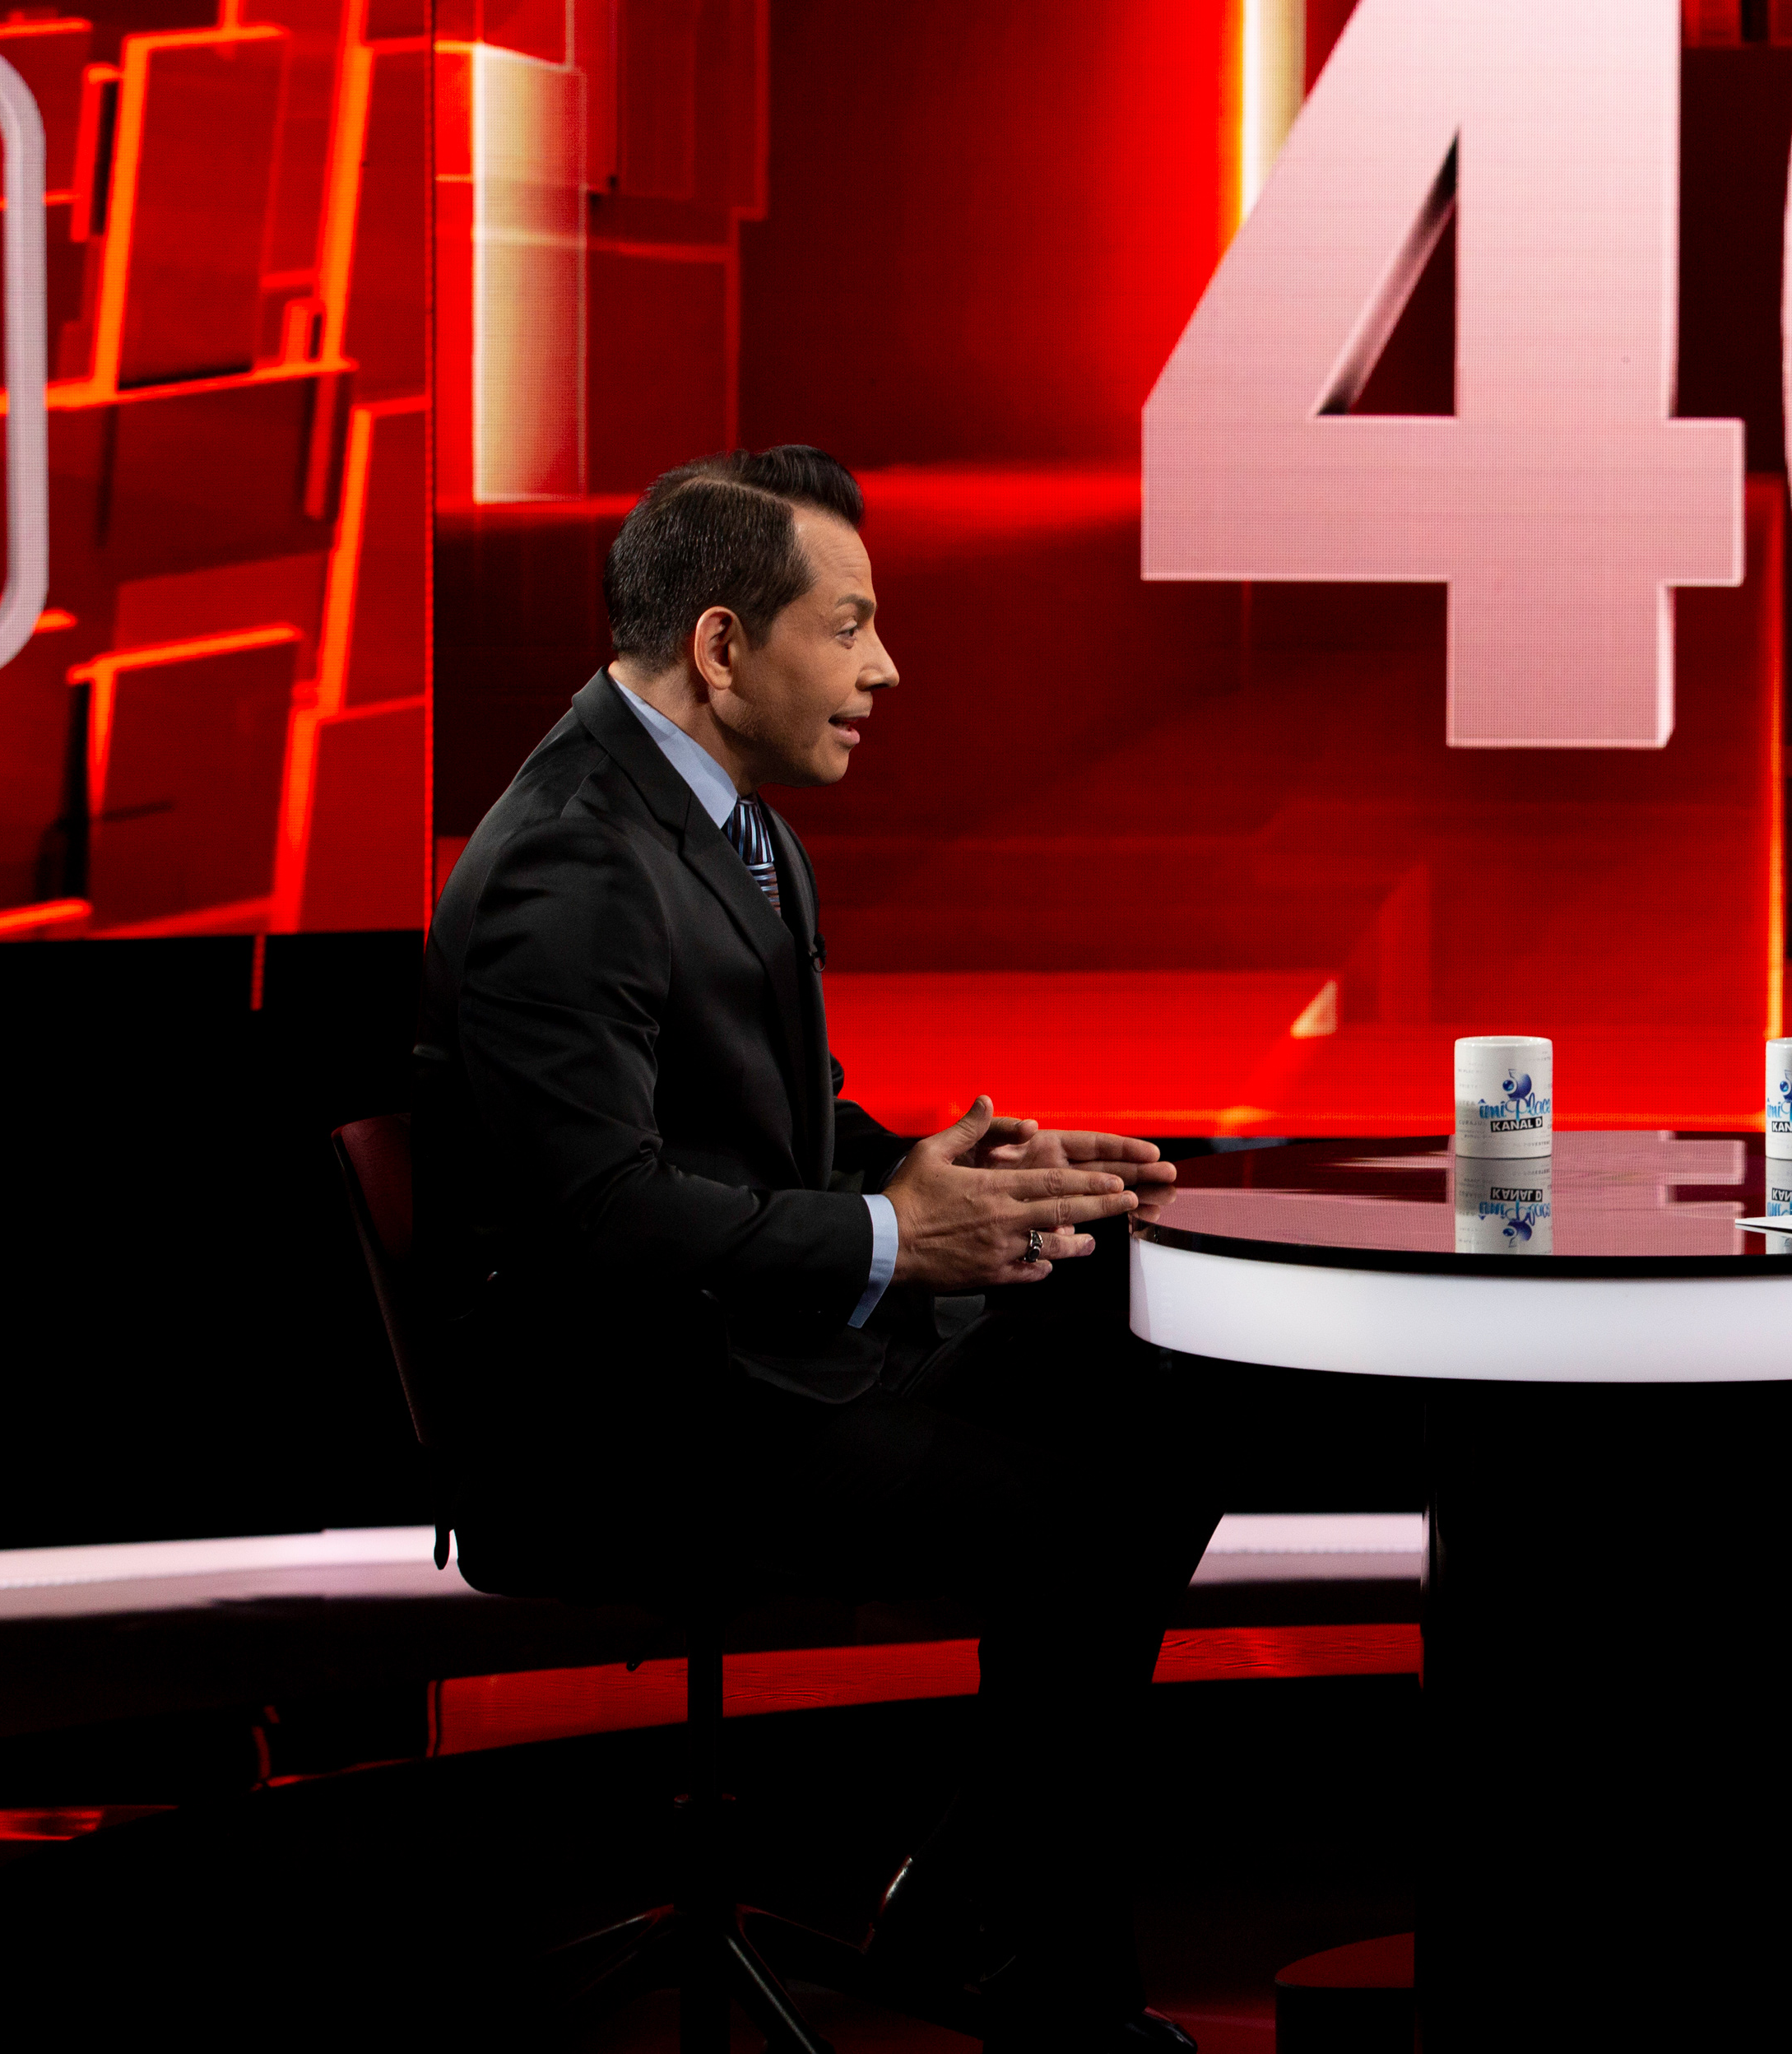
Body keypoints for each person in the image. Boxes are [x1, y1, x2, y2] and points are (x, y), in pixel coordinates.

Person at [415, 445, 1219, 2052]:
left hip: (750, 1354)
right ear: (721, 646)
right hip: (637, 1420)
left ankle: (973, 1888)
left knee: (1157, 1389)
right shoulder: (573, 856)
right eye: (849, 628)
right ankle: (1046, 1981)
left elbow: (758, 1130)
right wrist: (889, 1239)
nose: (885, 668)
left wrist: (944, 1173)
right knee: (1084, 1517)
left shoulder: (729, 827)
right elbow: (601, 1213)